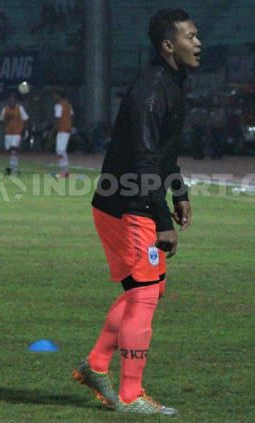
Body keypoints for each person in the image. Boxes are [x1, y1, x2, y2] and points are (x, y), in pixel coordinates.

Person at [72, 8, 199, 416]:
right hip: (128, 205)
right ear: (168, 45)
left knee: (147, 290)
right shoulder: (152, 89)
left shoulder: (173, 83)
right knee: (144, 294)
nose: (198, 43)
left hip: (134, 200)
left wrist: (178, 190)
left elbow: (164, 153)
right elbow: (145, 160)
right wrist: (163, 221)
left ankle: (94, 366)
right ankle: (130, 394)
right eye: (190, 37)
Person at [0, 92, 29, 175]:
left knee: (14, 150)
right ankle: (12, 167)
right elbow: (1, 119)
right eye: (10, 100)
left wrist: (25, 130)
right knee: (9, 150)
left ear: (15, 101)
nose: (11, 102)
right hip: (8, 132)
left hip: (17, 132)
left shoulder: (20, 108)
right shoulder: (5, 109)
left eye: (13, 100)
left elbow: (25, 119)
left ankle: (14, 170)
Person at [52, 89, 74, 178]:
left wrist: (52, 131)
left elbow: (57, 119)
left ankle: (65, 170)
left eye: (55, 95)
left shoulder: (59, 106)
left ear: (59, 96)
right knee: (59, 150)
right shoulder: (68, 105)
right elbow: (72, 115)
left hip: (63, 130)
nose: (54, 97)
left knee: (61, 150)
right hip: (66, 129)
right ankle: (63, 170)